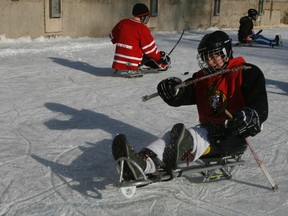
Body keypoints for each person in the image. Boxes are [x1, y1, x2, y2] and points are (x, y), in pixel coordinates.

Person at [112, 30, 268, 181]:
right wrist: (172, 90)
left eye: (214, 56)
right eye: (206, 58)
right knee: (173, 136)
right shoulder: (203, 78)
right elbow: (184, 95)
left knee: (193, 136)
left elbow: (260, 106)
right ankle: (141, 164)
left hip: (233, 135)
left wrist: (250, 115)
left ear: (226, 52)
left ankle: (184, 144)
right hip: (209, 130)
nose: (209, 62)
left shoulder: (247, 72)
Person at [109, 3, 171, 73]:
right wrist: (161, 59)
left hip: (118, 61)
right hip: (133, 62)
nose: (146, 19)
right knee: (149, 55)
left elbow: (112, 36)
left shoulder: (122, 22)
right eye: (146, 17)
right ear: (142, 17)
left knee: (139, 47)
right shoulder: (142, 28)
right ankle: (162, 65)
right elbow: (151, 51)